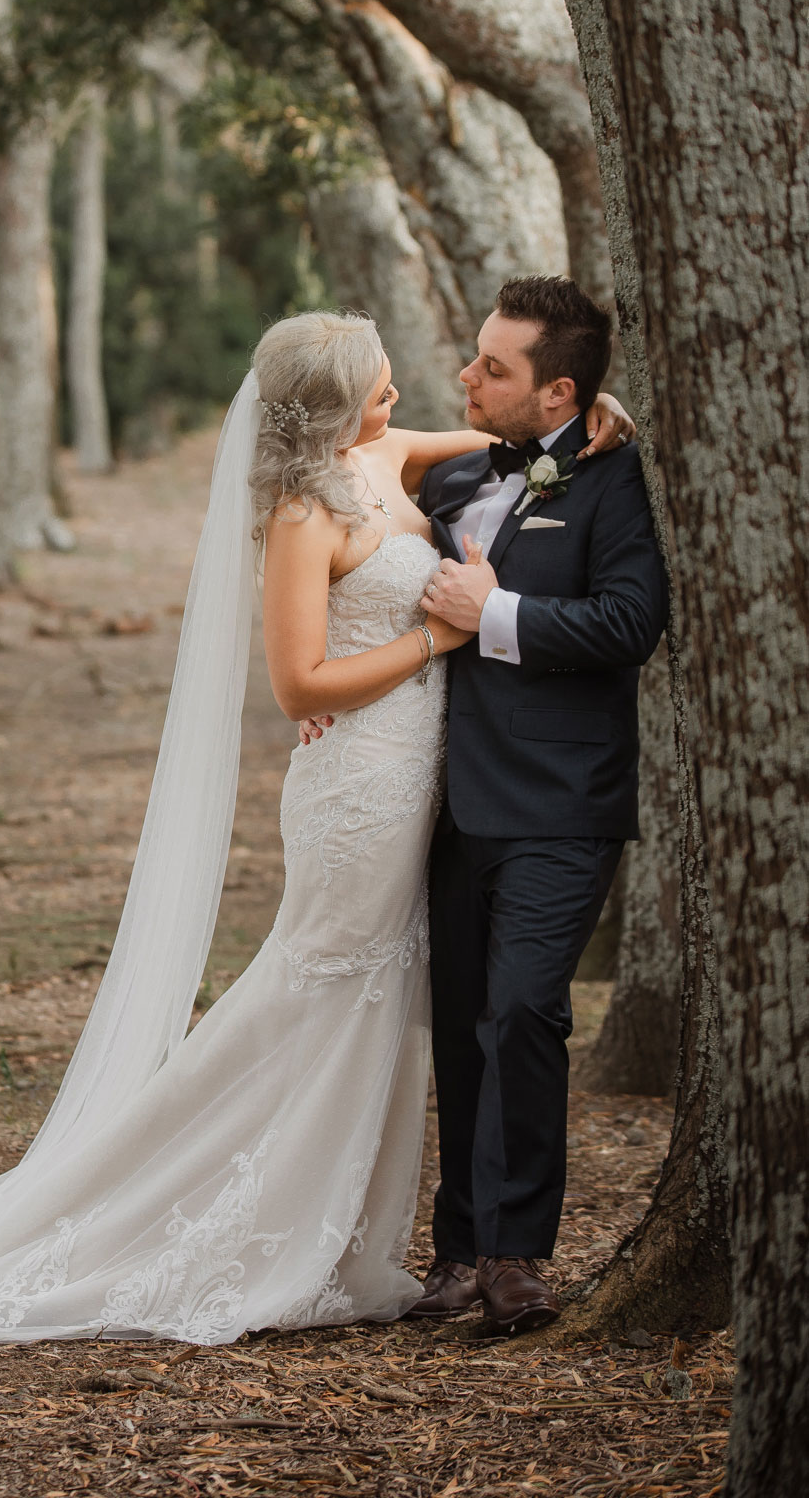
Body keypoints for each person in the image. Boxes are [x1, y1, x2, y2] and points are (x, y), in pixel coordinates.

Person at [0, 308, 634, 1345]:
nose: (407, 395)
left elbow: (506, 444)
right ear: (331, 407)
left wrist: (595, 409)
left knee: (377, 998)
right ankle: (184, 1205)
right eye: (380, 385)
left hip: (427, 784)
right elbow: (296, 680)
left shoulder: (392, 450)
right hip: (357, 784)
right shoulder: (303, 512)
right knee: (323, 985)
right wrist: (434, 640)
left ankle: (372, 1233)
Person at [305, 277, 667, 1334]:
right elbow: (354, 515)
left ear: (559, 388)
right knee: (461, 1025)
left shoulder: (616, 480)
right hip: (438, 800)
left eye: (492, 366)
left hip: (561, 802)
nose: (465, 375)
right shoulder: (457, 467)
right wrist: (326, 685)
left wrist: (494, 609)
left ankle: (517, 1253)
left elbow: (628, 622)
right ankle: (456, 1248)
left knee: (521, 1010)